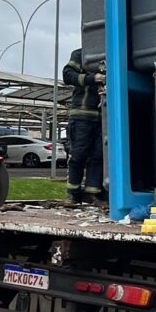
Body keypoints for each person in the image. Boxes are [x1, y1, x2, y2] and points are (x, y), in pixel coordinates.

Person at [62, 49, 106, 207]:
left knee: (98, 155)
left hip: (103, 115)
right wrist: (92, 78)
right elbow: (67, 75)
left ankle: (92, 194)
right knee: (78, 154)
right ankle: (73, 194)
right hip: (82, 115)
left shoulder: (112, 51)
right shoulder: (81, 54)